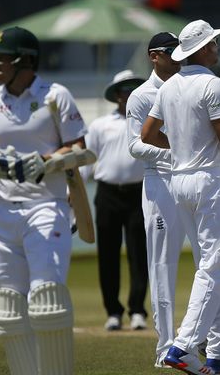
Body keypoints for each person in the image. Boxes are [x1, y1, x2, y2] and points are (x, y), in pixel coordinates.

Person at [0, 26, 88, 374]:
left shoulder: (55, 95)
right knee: (11, 309)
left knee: (47, 300)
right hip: (4, 214)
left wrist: (44, 161)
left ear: (25, 60)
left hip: (47, 207)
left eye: (2, 59)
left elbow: (79, 148)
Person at [142, 20, 220, 375]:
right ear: (200, 49)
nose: (217, 48)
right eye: (213, 43)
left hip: (179, 180)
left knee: (211, 267)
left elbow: (148, 134)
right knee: (215, 267)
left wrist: (182, 149)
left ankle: (219, 354)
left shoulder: (167, 87)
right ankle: (181, 346)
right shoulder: (210, 83)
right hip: (207, 180)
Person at [126, 32, 203, 367]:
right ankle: (165, 345)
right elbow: (135, 146)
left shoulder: (189, 86)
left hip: (196, 179)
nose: (179, 56)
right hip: (161, 184)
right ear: (154, 56)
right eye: (172, 52)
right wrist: (178, 152)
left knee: (208, 261)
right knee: (162, 265)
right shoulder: (141, 96)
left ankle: (203, 343)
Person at [83, 70, 148, 332]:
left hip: (138, 193)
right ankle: (113, 311)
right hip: (108, 193)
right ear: (117, 95)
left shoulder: (148, 121)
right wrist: (73, 192)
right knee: (107, 255)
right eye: (124, 90)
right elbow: (88, 160)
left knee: (139, 254)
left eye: (134, 89)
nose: (129, 94)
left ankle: (138, 310)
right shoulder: (100, 125)